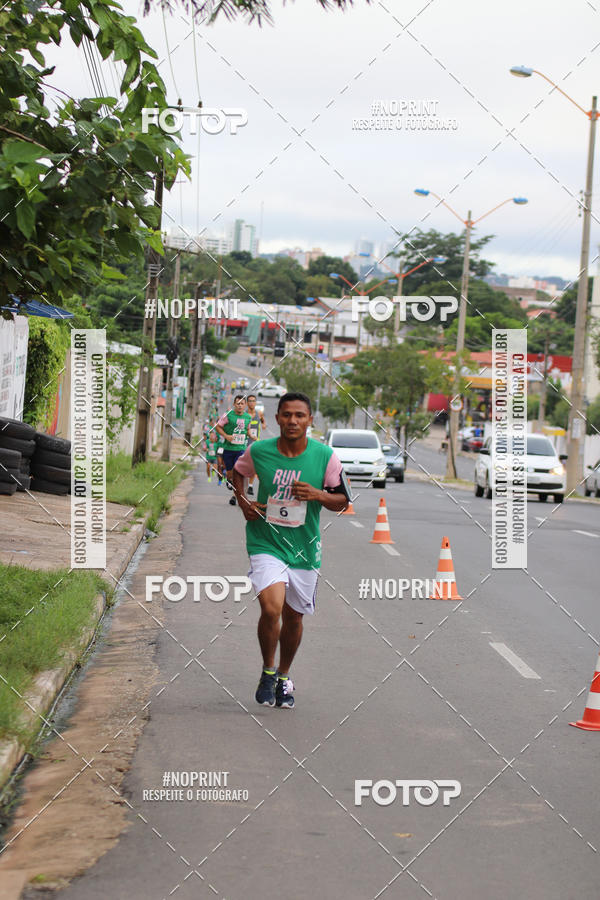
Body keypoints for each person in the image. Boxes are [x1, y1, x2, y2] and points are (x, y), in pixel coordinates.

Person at [232, 392, 349, 709]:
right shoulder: (259, 450)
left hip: (304, 548)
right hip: (265, 540)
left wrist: (317, 495)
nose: (292, 421)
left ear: (310, 420)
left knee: (294, 617)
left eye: (299, 415)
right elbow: (238, 472)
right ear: (278, 417)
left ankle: (284, 675)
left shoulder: (326, 457)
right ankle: (268, 671)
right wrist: (244, 502)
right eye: (286, 415)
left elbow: (343, 502)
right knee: (271, 609)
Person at [216, 395, 252, 505]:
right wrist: (226, 436)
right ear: (234, 405)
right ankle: (229, 479)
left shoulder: (248, 417)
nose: (240, 406)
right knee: (230, 472)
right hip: (228, 448)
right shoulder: (228, 415)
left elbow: (247, 430)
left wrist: (252, 437)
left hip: (241, 448)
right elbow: (217, 427)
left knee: (238, 472)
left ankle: (235, 496)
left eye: (242, 404)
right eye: (238, 403)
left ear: (245, 405)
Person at [245, 394, 267, 497]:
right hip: (244, 443)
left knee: (253, 465)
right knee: (242, 465)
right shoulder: (244, 414)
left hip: (255, 443)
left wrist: (263, 424)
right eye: (250, 401)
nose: (252, 403)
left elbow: (263, 420)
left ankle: (250, 486)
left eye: (253, 401)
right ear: (246, 403)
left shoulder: (259, 413)